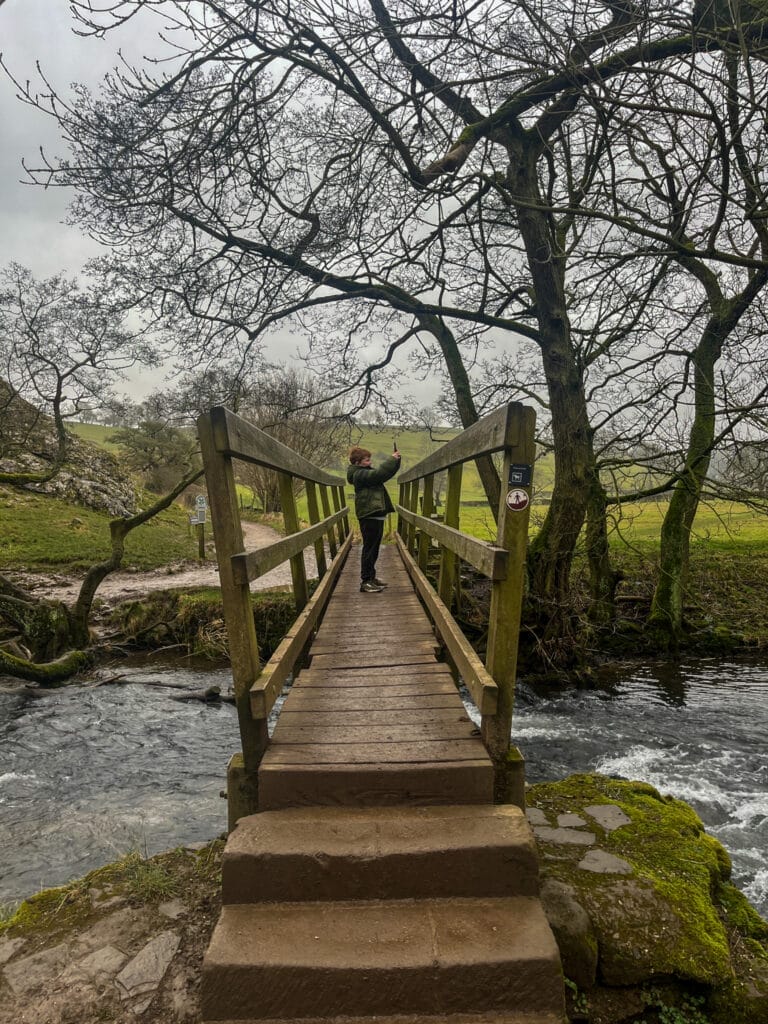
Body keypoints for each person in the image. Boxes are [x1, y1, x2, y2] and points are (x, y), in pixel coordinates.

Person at [347, 444, 401, 593]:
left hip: (374, 516)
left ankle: (371, 578)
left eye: (369, 459)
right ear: (357, 462)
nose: (370, 462)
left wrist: (396, 461)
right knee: (369, 549)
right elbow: (379, 474)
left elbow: (385, 474)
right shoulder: (360, 475)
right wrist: (391, 459)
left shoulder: (363, 473)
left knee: (374, 548)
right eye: (366, 460)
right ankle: (365, 581)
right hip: (369, 516)